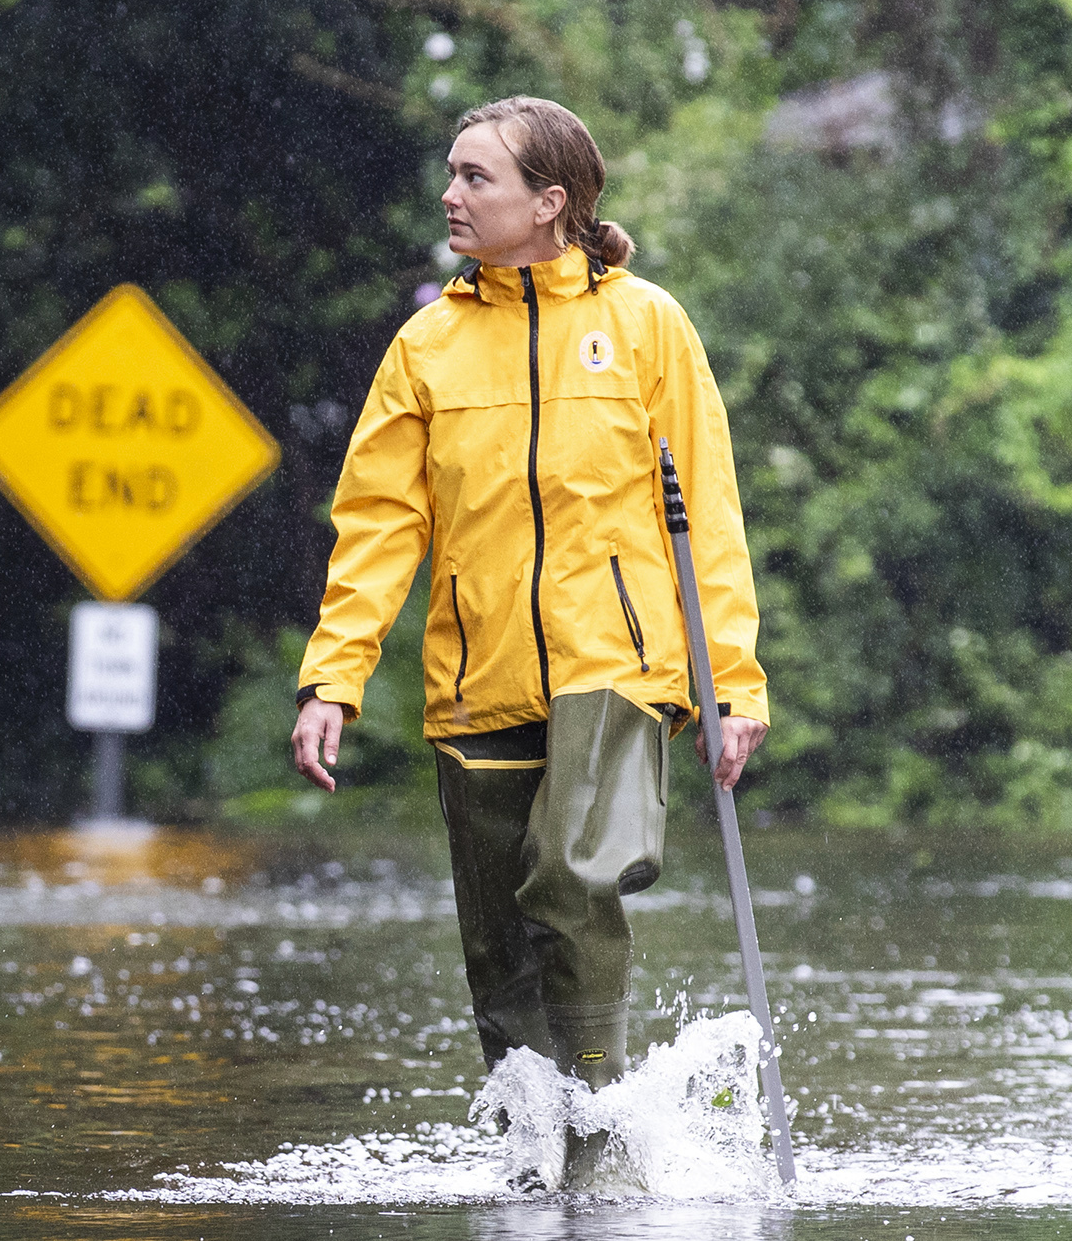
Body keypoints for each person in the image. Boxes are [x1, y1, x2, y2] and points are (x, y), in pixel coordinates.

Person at [293, 96, 769, 1118]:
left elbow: (710, 520)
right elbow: (378, 527)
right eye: (453, 173)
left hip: (616, 667)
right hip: (477, 678)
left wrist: (731, 680)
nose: (451, 194)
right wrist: (335, 678)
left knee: (566, 876)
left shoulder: (646, 325)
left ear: (551, 201)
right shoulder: (425, 347)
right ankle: (530, 1151)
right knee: (496, 945)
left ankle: (597, 1131)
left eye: (477, 177)